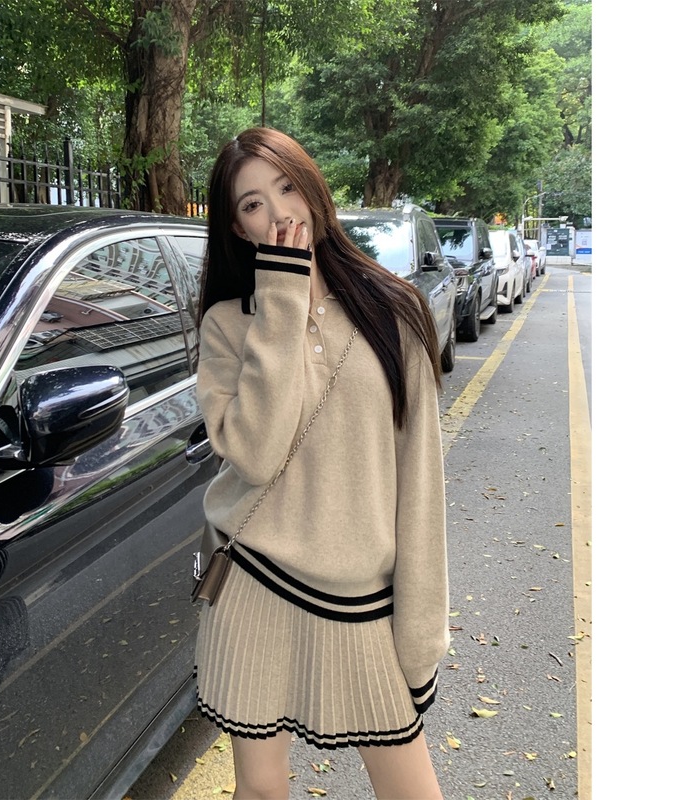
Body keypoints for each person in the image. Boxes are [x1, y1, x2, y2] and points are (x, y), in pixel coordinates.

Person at [194, 126, 449, 800]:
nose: (278, 212)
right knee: (261, 791)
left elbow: (420, 485)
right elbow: (256, 455)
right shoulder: (227, 325)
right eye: (253, 203)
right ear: (239, 227)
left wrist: (421, 633)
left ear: (313, 189)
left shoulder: (393, 311)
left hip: (362, 600)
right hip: (253, 583)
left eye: (286, 187)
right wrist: (281, 297)